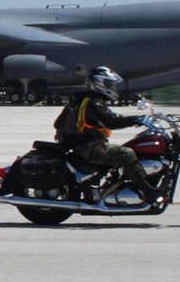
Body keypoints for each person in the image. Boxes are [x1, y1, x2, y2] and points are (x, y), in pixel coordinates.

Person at [53, 65, 160, 200]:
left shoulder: (85, 100)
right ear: (99, 84)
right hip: (89, 147)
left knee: (127, 150)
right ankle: (147, 192)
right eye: (109, 84)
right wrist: (136, 120)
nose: (113, 88)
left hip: (87, 144)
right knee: (126, 153)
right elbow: (111, 120)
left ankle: (123, 185)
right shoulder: (93, 102)